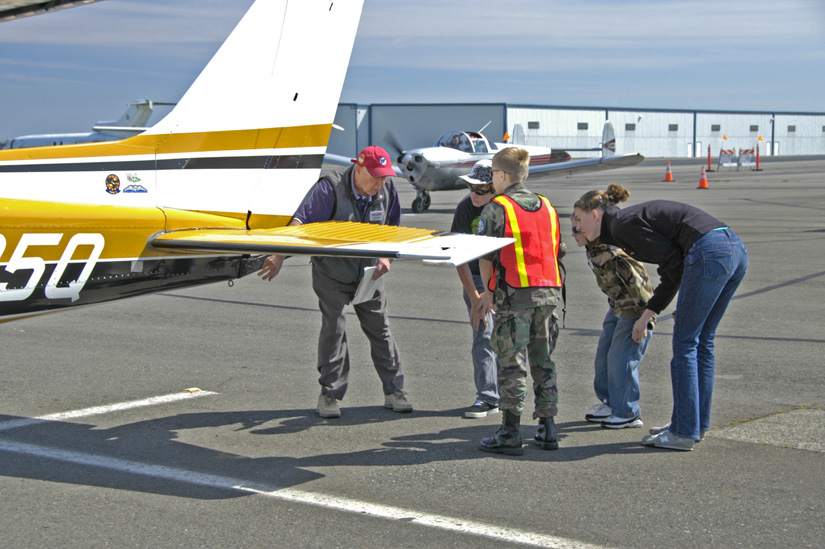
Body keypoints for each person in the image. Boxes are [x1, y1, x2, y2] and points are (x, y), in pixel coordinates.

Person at [572, 184, 748, 451]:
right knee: (702, 342)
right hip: (733, 249)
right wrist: (650, 311)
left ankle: (683, 431)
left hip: (710, 251)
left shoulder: (622, 225)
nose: (576, 226)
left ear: (595, 214)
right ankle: (694, 425)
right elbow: (674, 267)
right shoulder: (623, 224)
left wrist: (646, 314)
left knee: (686, 344)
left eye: (578, 218)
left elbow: (674, 267)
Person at [258, 146, 413, 419]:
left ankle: (394, 391)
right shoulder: (330, 187)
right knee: (335, 329)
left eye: (384, 178)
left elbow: (393, 229)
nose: (379, 184)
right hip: (332, 272)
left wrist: (386, 257)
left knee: (381, 329)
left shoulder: (386, 190)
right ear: (359, 168)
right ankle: (330, 394)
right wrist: (279, 255)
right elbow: (301, 223)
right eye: (375, 177)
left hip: (368, 274)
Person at [471, 147, 564, 455]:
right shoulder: (547, 205)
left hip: (514, 295)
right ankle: (548, 429)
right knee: (543, 361)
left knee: (512, 363)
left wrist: (487, 293)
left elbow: (484, 257)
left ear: (501, 175)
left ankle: (510, 433)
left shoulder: (497, 207)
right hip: (549, 294)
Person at [570, 214, 654, 429]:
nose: (573, 234)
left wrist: (645, 320)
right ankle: (611, 403)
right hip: (615, 308)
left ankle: (627, 411)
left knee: (622, 360)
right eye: (572, 228)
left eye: (578, 229)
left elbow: (643, 288)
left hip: (632, 311)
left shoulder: (614, 253)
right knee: (604, 357)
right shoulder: (593, 250)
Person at [451, 160, 500, 418]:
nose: (474, 194)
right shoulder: (465, 208)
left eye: (481, 190)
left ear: (495, 188)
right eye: (471, 188)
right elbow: (459, 257)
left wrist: (494, 290)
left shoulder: (505, 209)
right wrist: (475, 296)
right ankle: (487, 397)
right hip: (476, 281)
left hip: (503, 281)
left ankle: (510, 393)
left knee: (508, 336)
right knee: (483, 333)